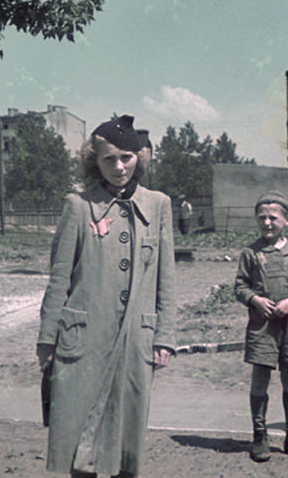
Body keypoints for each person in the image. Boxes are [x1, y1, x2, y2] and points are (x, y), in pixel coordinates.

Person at [36, 115, 177, 477]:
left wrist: (165, 336)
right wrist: (47, 338)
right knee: (78, 436)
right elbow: (59, 278)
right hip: (83, 339)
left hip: (136, 340)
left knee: (127, 436)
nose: (118, 166)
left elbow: (166, 278)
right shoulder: (79, 206)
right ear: (94, 162)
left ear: (140, 158)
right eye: (109, 159)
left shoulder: (159, 204)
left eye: (126, 158)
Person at [234, 191, 288, 462]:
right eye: (262, 217)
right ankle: (260, 435)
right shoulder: (250, 253)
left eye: (273, 217)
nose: (267, 222)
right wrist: (255, 300)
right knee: (260, 378)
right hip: (261, 328)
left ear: (287, 220)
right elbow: (240, 286)